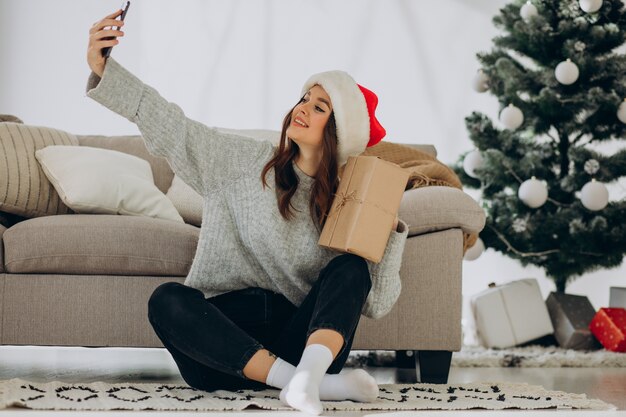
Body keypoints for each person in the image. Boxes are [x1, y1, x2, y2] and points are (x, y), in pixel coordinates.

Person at [87, 9, 408, 415]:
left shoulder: (349, 201)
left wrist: (388, 227)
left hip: (302, 342)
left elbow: (375, 302)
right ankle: (303, 384)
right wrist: (106, 71)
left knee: (351, 268)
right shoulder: (239, 161)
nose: (303, 108)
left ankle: (310, 375)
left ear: (339, 133)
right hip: (222, 349)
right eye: (305, 98)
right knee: (167, 299)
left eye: (321, 106)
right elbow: (174, 127)